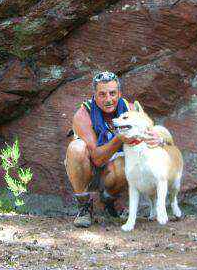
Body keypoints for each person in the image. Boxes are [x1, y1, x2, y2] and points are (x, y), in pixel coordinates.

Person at [64, 71, 164, 227]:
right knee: (76, 148)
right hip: (90, 167)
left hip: (115, 169)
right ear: (95, 96)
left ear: (119, 94)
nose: (108, 99)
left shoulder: (131, 109)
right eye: (102, 94)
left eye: (112, 93)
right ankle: (84, 206)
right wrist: (119, 138)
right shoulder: (83, 114)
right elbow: (97, 159)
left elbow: (150, 133)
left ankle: (108, 200)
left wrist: (158, 139)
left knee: (130, 163)